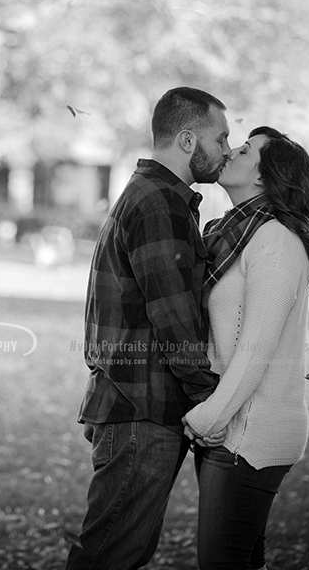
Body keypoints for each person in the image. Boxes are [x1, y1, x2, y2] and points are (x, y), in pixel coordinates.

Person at [65, 87, 232, 570]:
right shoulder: (159, 203)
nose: (226, 149)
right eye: (220, 138)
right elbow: (175, 319)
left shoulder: (154, 195)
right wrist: (211, 400)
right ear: (186, 140)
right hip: (142, 410)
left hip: (133, 404)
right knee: (108, 557)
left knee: (119, 553)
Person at [182, 126, 309, 570]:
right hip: (231, 425)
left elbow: (256, 348)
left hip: (250, 435)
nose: (231, 152)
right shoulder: (238, 233)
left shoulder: (276, 242)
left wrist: (208, 417)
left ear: (264, 178)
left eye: (244, 150)